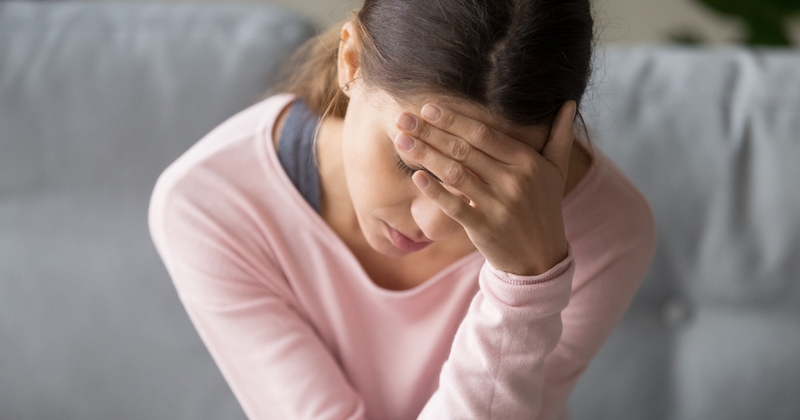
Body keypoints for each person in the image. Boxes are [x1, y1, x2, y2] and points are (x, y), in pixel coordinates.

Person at [148, 0, 657, 419]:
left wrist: (526, 285)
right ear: (350, 63)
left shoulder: (607, 231)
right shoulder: (211, 201)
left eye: (489, 179)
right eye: (405, 160)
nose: (434, 221)